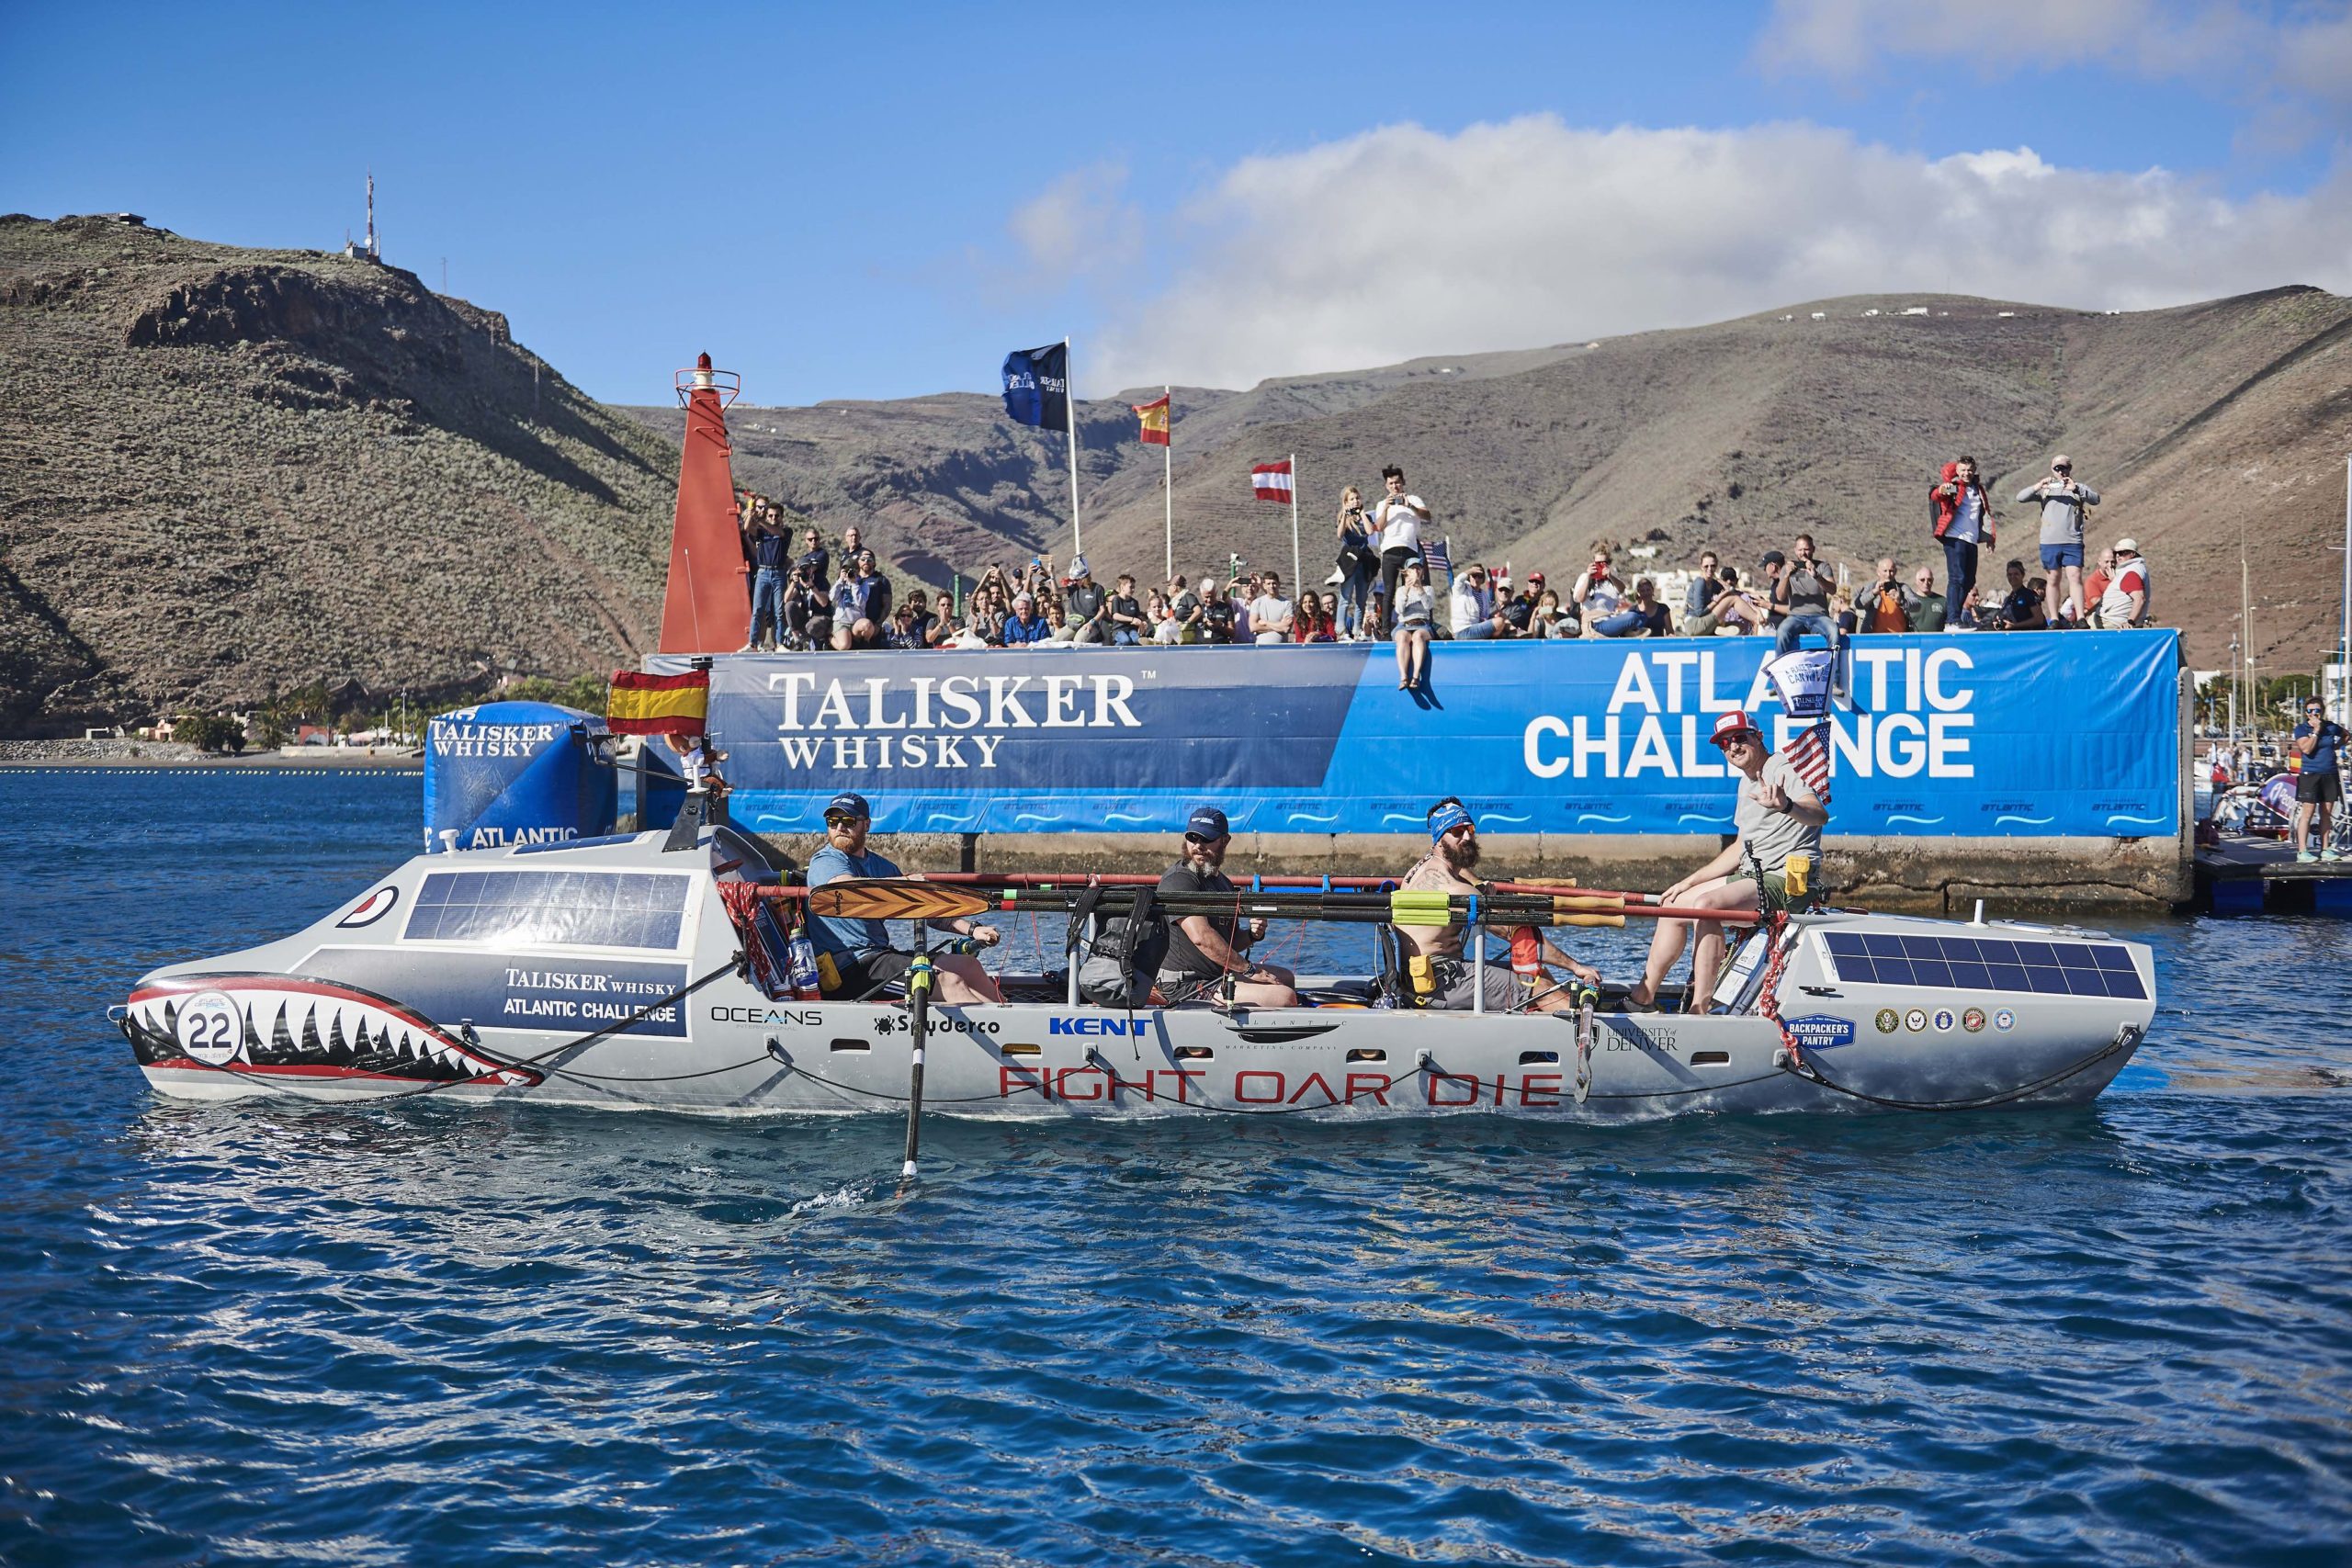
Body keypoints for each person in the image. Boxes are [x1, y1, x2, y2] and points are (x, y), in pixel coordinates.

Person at [1623, 710, 1826, 1012]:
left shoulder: (1782, 769)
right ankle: (1643, 999)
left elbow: (1819, 815)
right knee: (1672, 905)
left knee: (1707, 906)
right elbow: (1740, 848)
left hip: (1789, 882)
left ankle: (1700, 1009)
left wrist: (1786, 805)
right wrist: (1688, 882)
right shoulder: (1747, 783)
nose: (1733, 747)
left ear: (1759, 738)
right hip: (1753, 876)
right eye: (1725, 743)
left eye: (1740, 738)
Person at [1395, 799, 1599, 1012]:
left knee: (1536, 971)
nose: (1467, 837)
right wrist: (1576, 967)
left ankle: (1555, 1016)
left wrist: (1480, 891)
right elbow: (1516, 934)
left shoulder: (1419, 870)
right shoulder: (1456, 889)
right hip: (1441, 985)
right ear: (1439, 839)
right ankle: (1582, 1025)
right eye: (1456, 831)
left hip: (1423, 977)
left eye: (1470, 829)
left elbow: (1463, 876)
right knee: (1537, 985)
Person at [805, 792, 1004, 1003]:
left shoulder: (882, 867)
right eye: (832, 821)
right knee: (949, 981)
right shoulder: (825, 861)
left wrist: (972, 930)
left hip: (879, 957)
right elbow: (848, 890)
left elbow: (925, 909)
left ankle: (1009, 1019)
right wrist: (904, 882)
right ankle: (988, 1023)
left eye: (848, 821)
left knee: (968, 966)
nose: (839, 827)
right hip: (850, 970)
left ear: (867, 825)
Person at [1155, 806, 1297, 1007]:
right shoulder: (1179, 880)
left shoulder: (1224, 883)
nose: (1198, 845)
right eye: (1193, 838)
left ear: (1225, 840)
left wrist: (1252, 935)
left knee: (1287, 977)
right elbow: (1202, 938)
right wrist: (1249, 970)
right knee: (1284, 997)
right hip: (1184, 984)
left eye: (1206, 838)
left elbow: (1229, 944)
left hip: (1215, 975)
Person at [2018, 455, 2099, 627]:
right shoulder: (2045, 490)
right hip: (2050, 541)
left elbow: (2095, 499)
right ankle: (2054, 618)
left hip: (2072, 540)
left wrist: (2076, 488)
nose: (2061, 472)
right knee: (2053, 578)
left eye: (2064, 468)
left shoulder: (2078, 487)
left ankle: (2080, 617)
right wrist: (2038, 486)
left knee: (2075, 577)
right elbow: (2021, 497)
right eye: (2057, 468)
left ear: (2070, 468)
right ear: (2052, 469)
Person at [1929, 457, 1995, 625]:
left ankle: (1954, 615)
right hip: (1955, 538)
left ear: (1974, 470)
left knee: (1969, 580)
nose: (1967, 473)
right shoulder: (1955, 487)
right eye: (1963, 470)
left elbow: (1986, 513)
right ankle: (1953, 619)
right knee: (1956, 577)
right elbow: (1936, 495)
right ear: (1957, 471)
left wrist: (1990, 537)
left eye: (1970, 470)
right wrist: (1942, 490)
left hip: (1971, 539)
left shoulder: (1978, 489)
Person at [2290, 698, 2346, 863]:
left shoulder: (2330, 727)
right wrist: (2316, 731)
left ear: (2322, 711)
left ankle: (2325, 849)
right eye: (2310, 710)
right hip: (2310, 774)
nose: (2313, 713)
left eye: (2317, 710)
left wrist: (2335, 746)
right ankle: (2302, 851)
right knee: (2308, 813)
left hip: (2329, 773)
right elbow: (2306, 749)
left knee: (2326, 814)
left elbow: (2346, 735)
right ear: (2306, 712)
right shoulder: (2301, 729)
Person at [1371, 466, 1430, 616]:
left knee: (1411, 586)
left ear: (1403, 482)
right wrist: (1386, 508)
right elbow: (1379, 527)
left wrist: (1409, 506)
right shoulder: (1381, 504)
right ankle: (1386, 627)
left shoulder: (1413, 499)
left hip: (1410, 549)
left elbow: (1427, 516)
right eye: (1391, 483)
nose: (1394, 486)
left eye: (1397, 482)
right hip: (1390, 550)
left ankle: (1410, 620)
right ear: (1386, 486)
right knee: (1389, 590)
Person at [741, 502, 791, 651]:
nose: (774, 518)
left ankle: (779, 643)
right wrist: (750, 515)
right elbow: (747, 529)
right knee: (757, 609)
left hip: (779, 573)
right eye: (771, 515)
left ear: (782, 517)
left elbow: (778, 533)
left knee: (779, 610)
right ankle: (752, 643)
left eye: (777, 516)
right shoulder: (761, 532)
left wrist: (760, 520)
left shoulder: (786, 531)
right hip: (763, 572)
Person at [1775, 534, 1836, 655]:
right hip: (1795, 617)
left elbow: (1832, 590)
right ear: (1795, 550)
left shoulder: (1823, 567)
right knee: (1781, 632)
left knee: (1834, 631)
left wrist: (1816, 576)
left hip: (1820, 616)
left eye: (1806, 549)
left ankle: (1834, 665)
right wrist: (1787, 576)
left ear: (1813, 549)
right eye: (1800, 550)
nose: (1803, 553)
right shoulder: (1787, 568)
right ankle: (1780, 665)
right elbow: (1780, 597)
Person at [1335, 485, 1376, 637]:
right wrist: (1345, 516)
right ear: (1346, 502)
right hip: (1349, 560)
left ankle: (1357, 630)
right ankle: (1340, 630)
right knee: (1345, 596)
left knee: (1361, 598)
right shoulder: (1343, 517)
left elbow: (1370, 531)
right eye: (1351, 499)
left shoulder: (1366, 517)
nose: (1355, 501)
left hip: (1363, 560)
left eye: (1357, 498)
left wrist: (1362, 513)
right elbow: (1340, 535)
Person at [1393, 558, 1434, 688]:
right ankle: (1403, 677)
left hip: (1422, 624)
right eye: (1413, 568)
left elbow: (1428, 606)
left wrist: (1419, 588)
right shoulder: (1401, 590)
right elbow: (1399, 610)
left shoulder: (1428, 589)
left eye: (1418, 568)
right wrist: (1407, 589)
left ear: (1422, 572)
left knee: (1418, 636)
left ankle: (1416, 676)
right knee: (1402, 637)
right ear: (1407, 572)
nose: (1416, 571)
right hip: (1404, 624)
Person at [2096, 538, 2152, 628]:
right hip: (2116, 620)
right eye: (2116, 553)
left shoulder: (2131, 572)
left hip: (2112, 622)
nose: (2118, 556)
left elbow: (2140, 599)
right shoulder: (2135, 568)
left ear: (2132, 554)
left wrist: (2130, 621)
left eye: (2122, 553)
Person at [1593, 576, 1672, 637]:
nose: (1646, 593)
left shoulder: (1663, 608)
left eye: (1648, 590)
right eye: (1643, 591)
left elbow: (1669, 631)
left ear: (1652, 590)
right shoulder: (1633, 610)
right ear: (1638, 593)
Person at [1450, 562, 1510, 640]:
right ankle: (1491, 639)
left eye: (1480, 576)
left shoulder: (1484, 595)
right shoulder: (1462, 589)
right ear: (1469, 577)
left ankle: (1514, 630)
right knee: (1499, 622)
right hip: (1464, 630)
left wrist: (1492, 617)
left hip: (1477, 627)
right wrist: (1471, 570)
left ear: (1483, 579)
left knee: (1501, 615)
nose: (1477, 579)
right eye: (1474, 575)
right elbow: (1458, 581)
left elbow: (1484, 616)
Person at [1063, 556, 1109, 644]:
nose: (1075, 581)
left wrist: (1092, 622)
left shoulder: (1097, 588)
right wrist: (1052, 575)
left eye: (1077, 579)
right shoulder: (1074, 588)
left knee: (1078, 641)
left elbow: (1102, 610)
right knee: (1056, 640)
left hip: (1090, 624)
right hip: (1074, 623)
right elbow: (1056, 591)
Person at [1860, 558, 1914, 634]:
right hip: (1874, 637)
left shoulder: (1902, 588)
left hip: (1899, 637)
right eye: (1885, 571)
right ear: (1878, 572)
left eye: (1891, 571)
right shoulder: (1871, 587)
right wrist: (1874, 593)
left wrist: (1901, 601)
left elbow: (1917, 605)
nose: (1888, 574)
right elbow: (1859, 603)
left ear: (1895, 572)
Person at [1574, 552, 1625, 629]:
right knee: (1631, 617)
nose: (1601, 565)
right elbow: (1579, 599)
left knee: (1634, 616)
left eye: (1604, 563)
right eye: (1598, 563)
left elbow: (1622, 589)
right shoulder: (1585, 577)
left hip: (1611, 620)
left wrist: (1610, 576)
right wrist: (1588, 576)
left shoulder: (1611, 580)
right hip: (1594, 622)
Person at [1996, 558, 2046, 630]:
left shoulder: (2030, 595)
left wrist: (2015, 625)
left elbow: (2039, 619)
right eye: (2010, 574)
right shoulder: (2008, 599)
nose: (2012, 577)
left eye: (2016, 574)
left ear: (2023, 575)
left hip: (2027, 634)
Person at [1249, 572, 1295, 643]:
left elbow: (1286, 628)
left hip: (1281, 647)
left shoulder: (1287, 603)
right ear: (1264, 585)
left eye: (1274, 583)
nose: (1271, 586)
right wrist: (1280, 626)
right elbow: (1253, 627)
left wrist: (1265, 622)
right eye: (1268, 584)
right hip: (1260, 646)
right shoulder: (1257, 602)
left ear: (1279, 584)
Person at [1106, 574, 1148, 646]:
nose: (1133, 590)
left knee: (1136, 640)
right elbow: (1115, 615)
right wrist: (1132, 619)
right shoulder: (1116, 599)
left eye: (1134, 587)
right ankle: (1116, 650)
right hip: (1119, 630)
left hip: (1132, 630)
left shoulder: (1134, 602)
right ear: (1122, 587)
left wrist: (1142, 622)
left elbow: (1138, 616)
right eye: (1131, 587)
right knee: (1126, 640)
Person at [1686, 551, 1724, 625]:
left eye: (1713, 566)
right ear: (1701, 567)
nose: (1709, 569)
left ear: (1716, 566)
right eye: (1706, 566)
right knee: (1732, 599)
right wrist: (1716, 601)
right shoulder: (1700, 583)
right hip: (1694, 621)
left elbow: (1726, 591)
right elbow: (1699, 613)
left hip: (1705, 619)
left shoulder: (1715, 584)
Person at [1906, 567, 1947, 633]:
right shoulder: (1909, 602)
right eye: (1922, 580)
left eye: (1929, 580)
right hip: (1914, 639)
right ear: (1916, 581)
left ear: (1933, 581)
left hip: (1936, 639)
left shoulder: (1943, 601)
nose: (1926, 582)